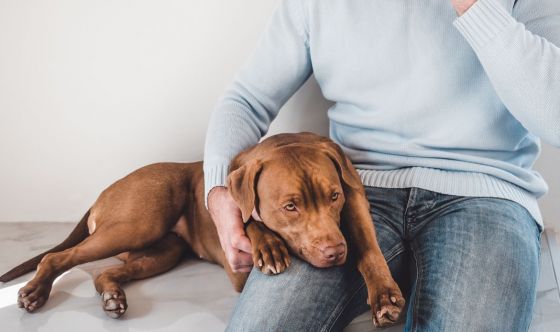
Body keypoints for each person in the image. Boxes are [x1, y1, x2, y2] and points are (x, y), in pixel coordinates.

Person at [203, 0, 559, 331]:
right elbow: (246, 100)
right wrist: (219, 193)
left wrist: (475, 6)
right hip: (349, 196)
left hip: (486, 194)